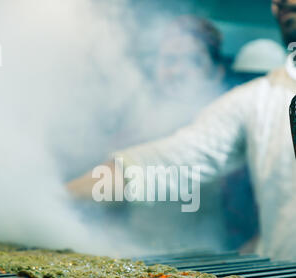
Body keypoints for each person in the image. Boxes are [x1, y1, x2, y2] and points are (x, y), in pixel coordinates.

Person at [67, 0, 296, 260]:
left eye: (192, 60)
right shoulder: (254, 100)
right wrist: (54, 199)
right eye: (168, 59)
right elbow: (165, 164)